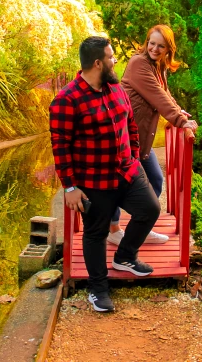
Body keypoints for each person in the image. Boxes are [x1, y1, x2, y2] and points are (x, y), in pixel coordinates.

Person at [50, 36, 161, 312]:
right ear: (98, 63)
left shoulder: (116, 89)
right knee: (95, 233)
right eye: (111, 57)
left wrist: (133, 155)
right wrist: (69, 187)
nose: (115, 61)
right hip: (93, 181)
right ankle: (98, 289)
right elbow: (60, 147)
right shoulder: (66, 100)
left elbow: (131, 123)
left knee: (150, 209)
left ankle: (125, 257)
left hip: (127, 173)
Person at [107, 24, 198, 246]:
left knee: (155, 180)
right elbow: (158, 96)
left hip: (140, 140)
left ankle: (141, 226)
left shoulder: (157, 66)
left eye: (161, 46)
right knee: (118, 183)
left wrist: (179, 111)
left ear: (168, 49)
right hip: (124, 138)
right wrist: (181, 120)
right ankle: (114, 230)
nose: (155, 49)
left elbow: (165, 94)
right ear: (146, 42)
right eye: (152, 43)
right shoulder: (139, 63)